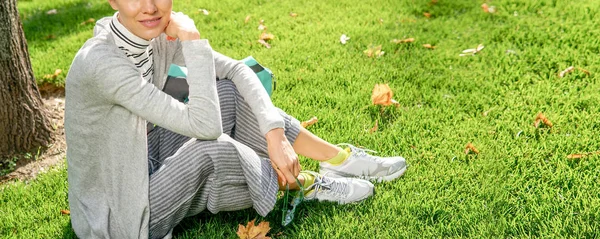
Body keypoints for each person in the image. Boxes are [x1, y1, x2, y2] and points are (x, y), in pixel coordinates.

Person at [64, 0, 407, 238]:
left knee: (227, 93)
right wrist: (194, 44)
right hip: (119, 215)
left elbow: (238, 70)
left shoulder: (149, 36)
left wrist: (274, 134)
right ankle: (298, 184)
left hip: (142, 156)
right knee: (210, 149)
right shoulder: (101, 64)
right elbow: (206, 128)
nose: (150, 7)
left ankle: (338, 159)